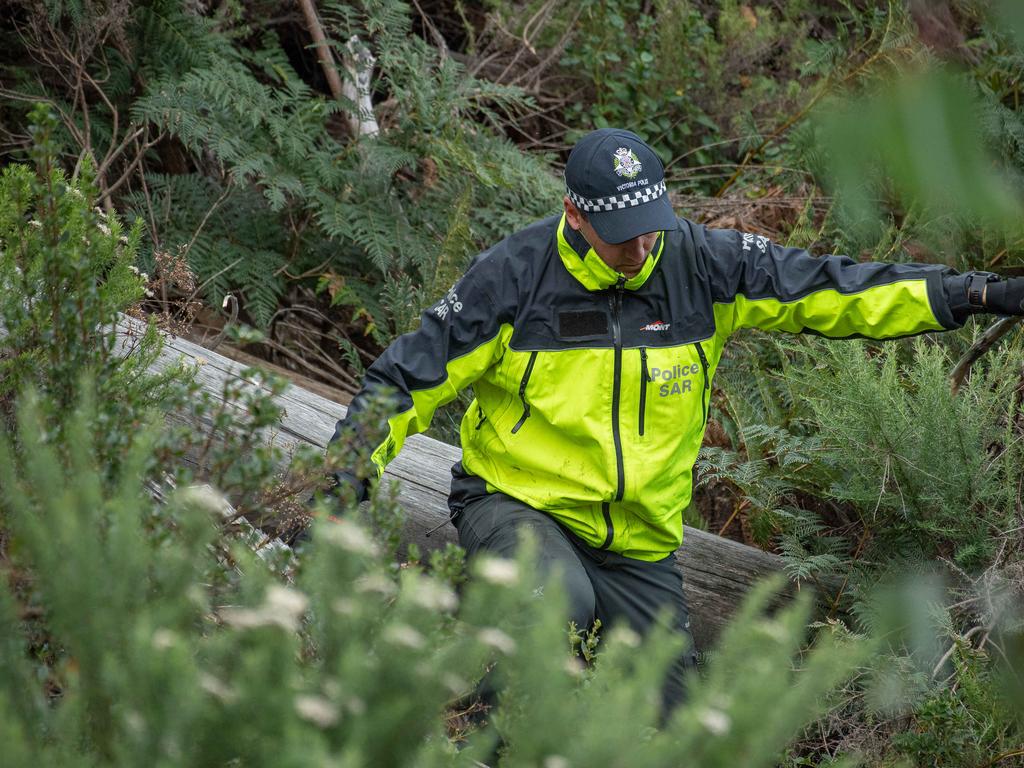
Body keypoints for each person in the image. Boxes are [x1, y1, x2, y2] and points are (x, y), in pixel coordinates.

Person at [316, 127, 1024, 714]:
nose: (640, 249)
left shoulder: (700, 265)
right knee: (553, 601)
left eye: (649, 228)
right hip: (518, 505)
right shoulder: (514, 277)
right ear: (574, 215)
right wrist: (347, 474)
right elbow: (406, 379)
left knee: (672, 723)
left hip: (639, 542)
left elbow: (833, 288)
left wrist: (970, 293)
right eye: (620, 236)